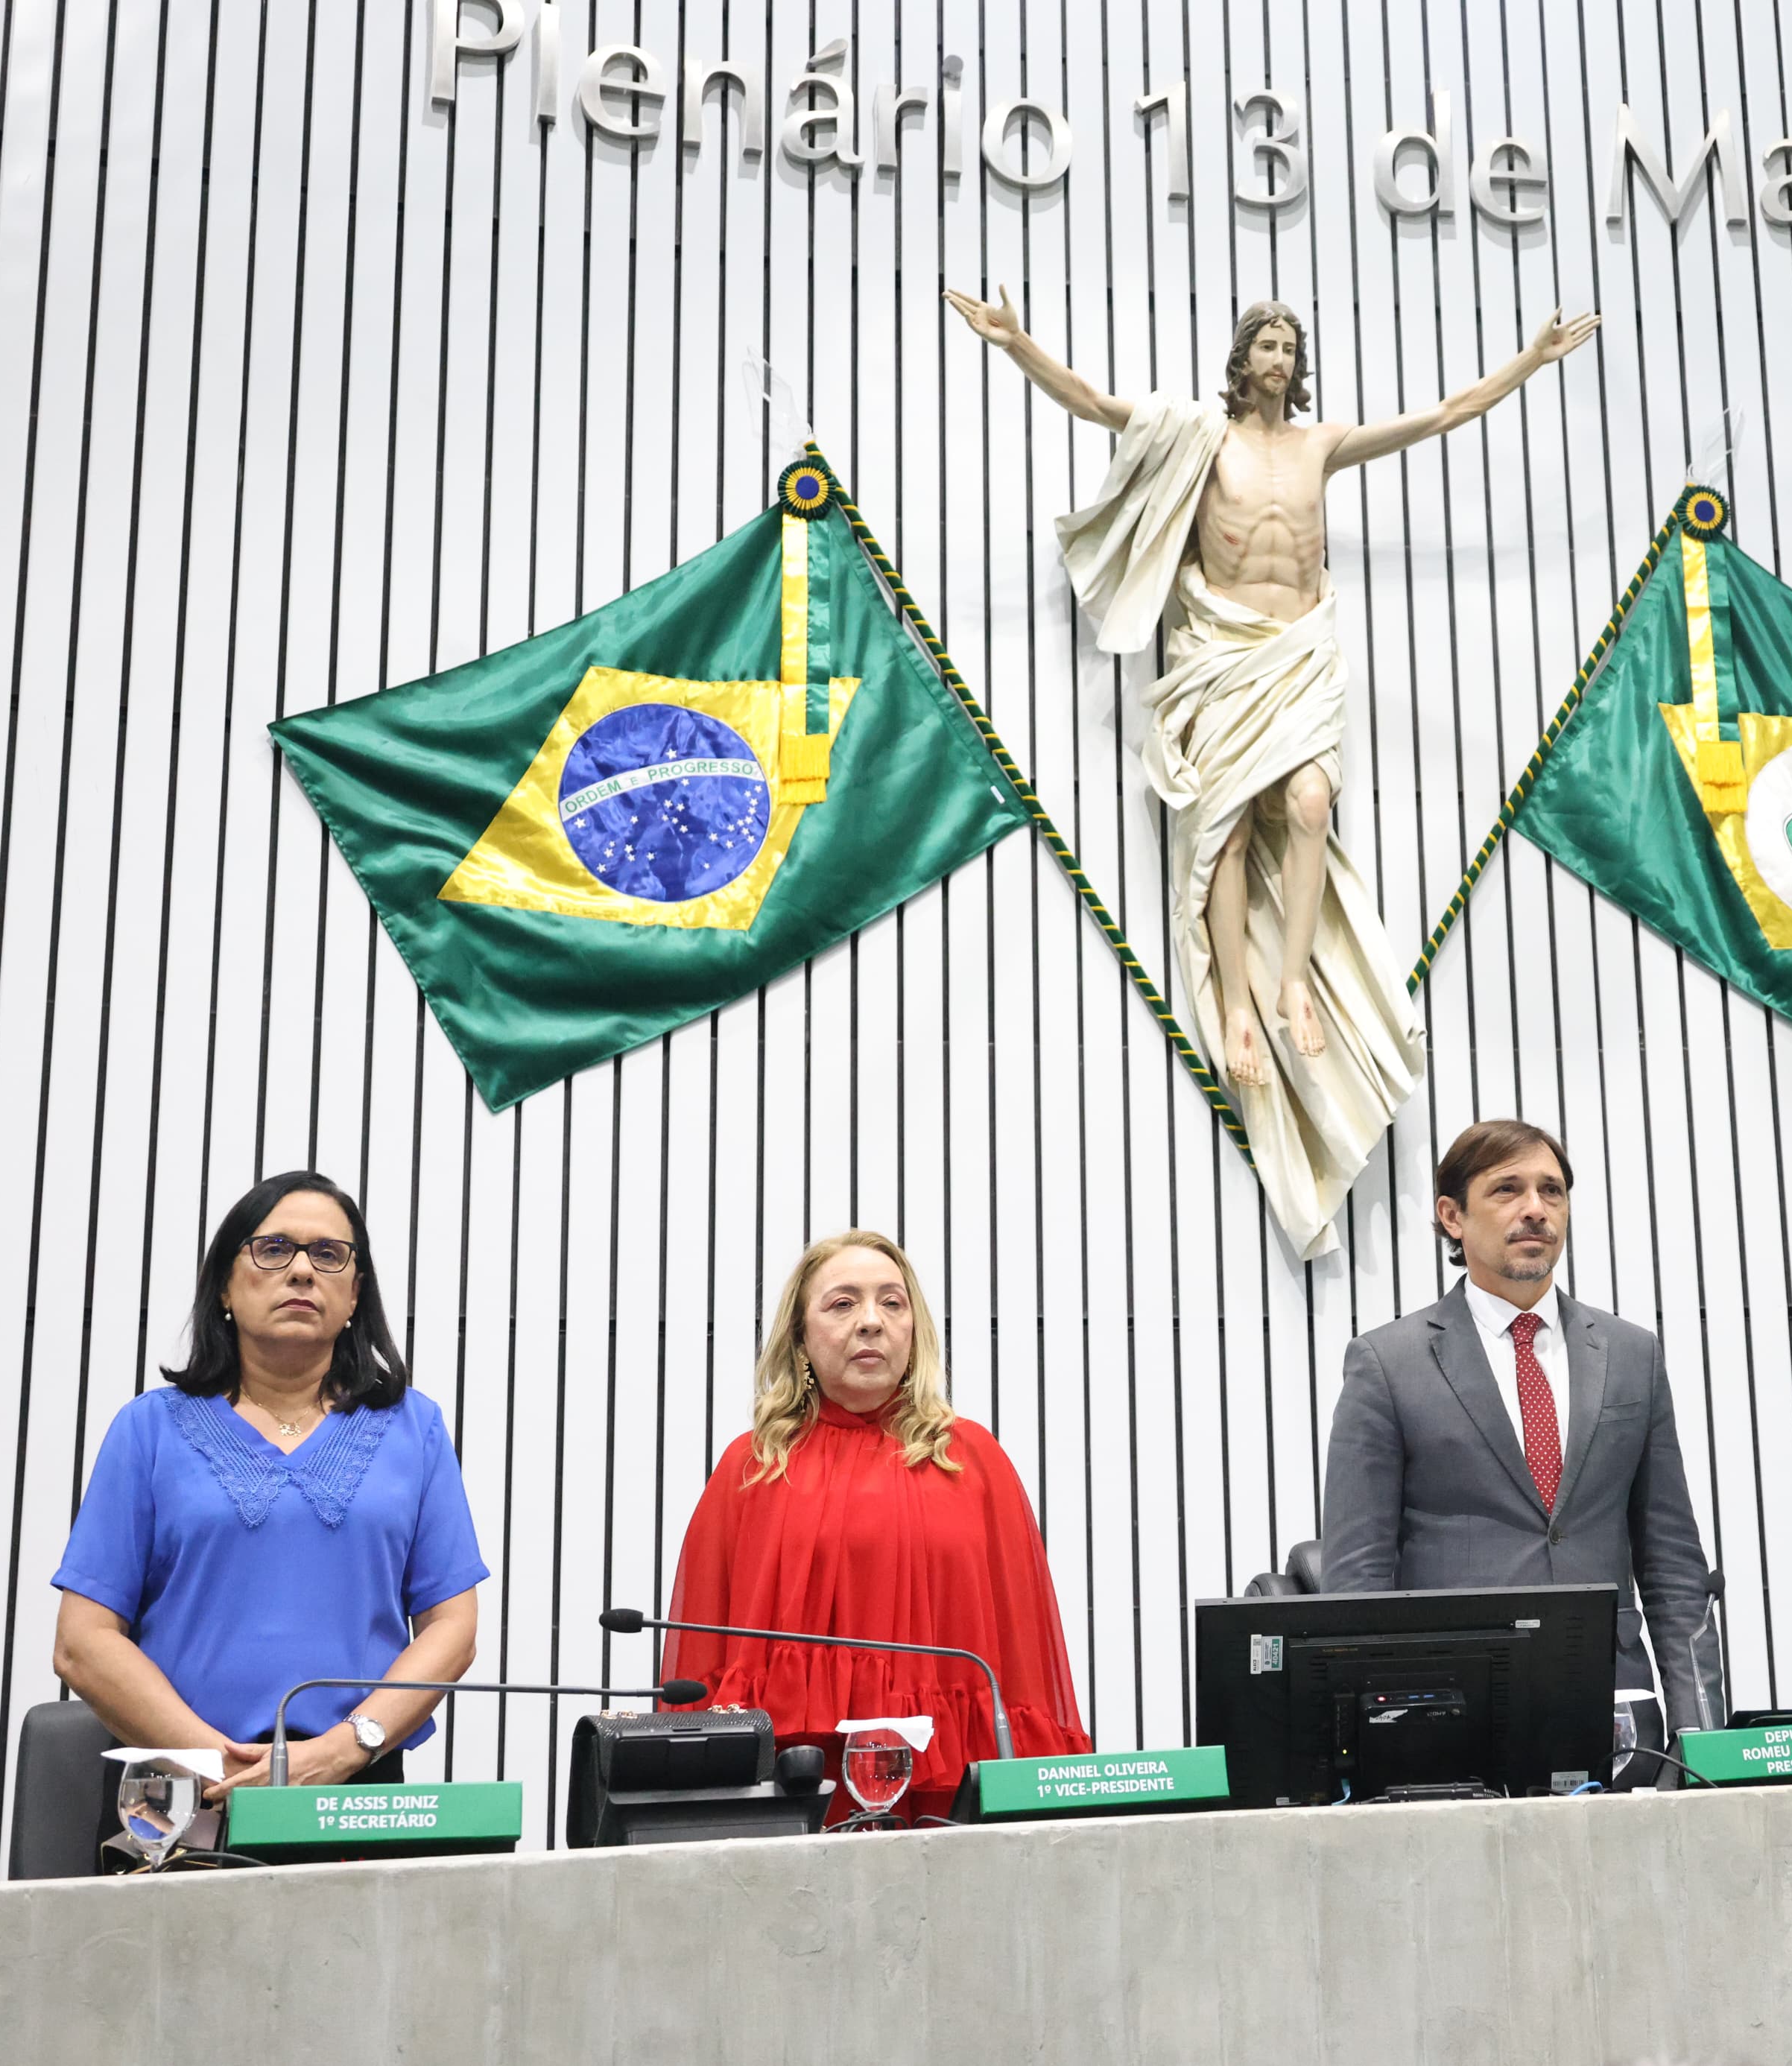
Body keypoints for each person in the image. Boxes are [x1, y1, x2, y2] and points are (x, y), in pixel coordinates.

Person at [943, 285, 1597, 1258]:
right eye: (1270, 344)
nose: (1283, 359)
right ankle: (1240, 1003)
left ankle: (1293, 983)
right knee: (1227, 829)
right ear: (1243, 357)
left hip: (1299, 651)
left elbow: (1446, 416)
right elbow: (1088, 401)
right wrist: (1015, 343)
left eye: (1295, 345)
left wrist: (1530, 361)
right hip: (1220, 648)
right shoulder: (1198, 435)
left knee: (1311, 800)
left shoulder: (1320, 443)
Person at [52, 1173, 486, 1824]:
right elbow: (83, 1642)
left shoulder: (413, 1428)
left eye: (329, 1254)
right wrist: (215, 1761)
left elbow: (452, 1626)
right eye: (274, 1248)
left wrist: (345, 1747)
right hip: (181, 1793)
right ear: (225, 1286)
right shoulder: (148, 1429)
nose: (303, 1271)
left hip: (356, 1787)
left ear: (354, 1295)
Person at [662, 1231, 1086, 1817]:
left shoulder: (975, 1460)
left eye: (892, 1301)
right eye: (842, 1303)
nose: (871, 1321)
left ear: (914, 1331)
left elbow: (1020, 1665)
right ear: (801, 1338)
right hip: (793, 1794)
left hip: (948, 1789)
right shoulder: (752, 1466)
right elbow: (704, 1664)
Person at [1320, 1121, 1723, 1734]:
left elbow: (1672, 1565)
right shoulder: (1387, 1364)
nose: (1536, 1209)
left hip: (1615, 1708)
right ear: (1452, 1216)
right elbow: (1357, 1578)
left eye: (1552, 1191)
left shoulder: (1631, 1354)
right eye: (1507, 1189)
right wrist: (1377, 1738)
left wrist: (1704, 1739)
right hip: (1449, 1711)